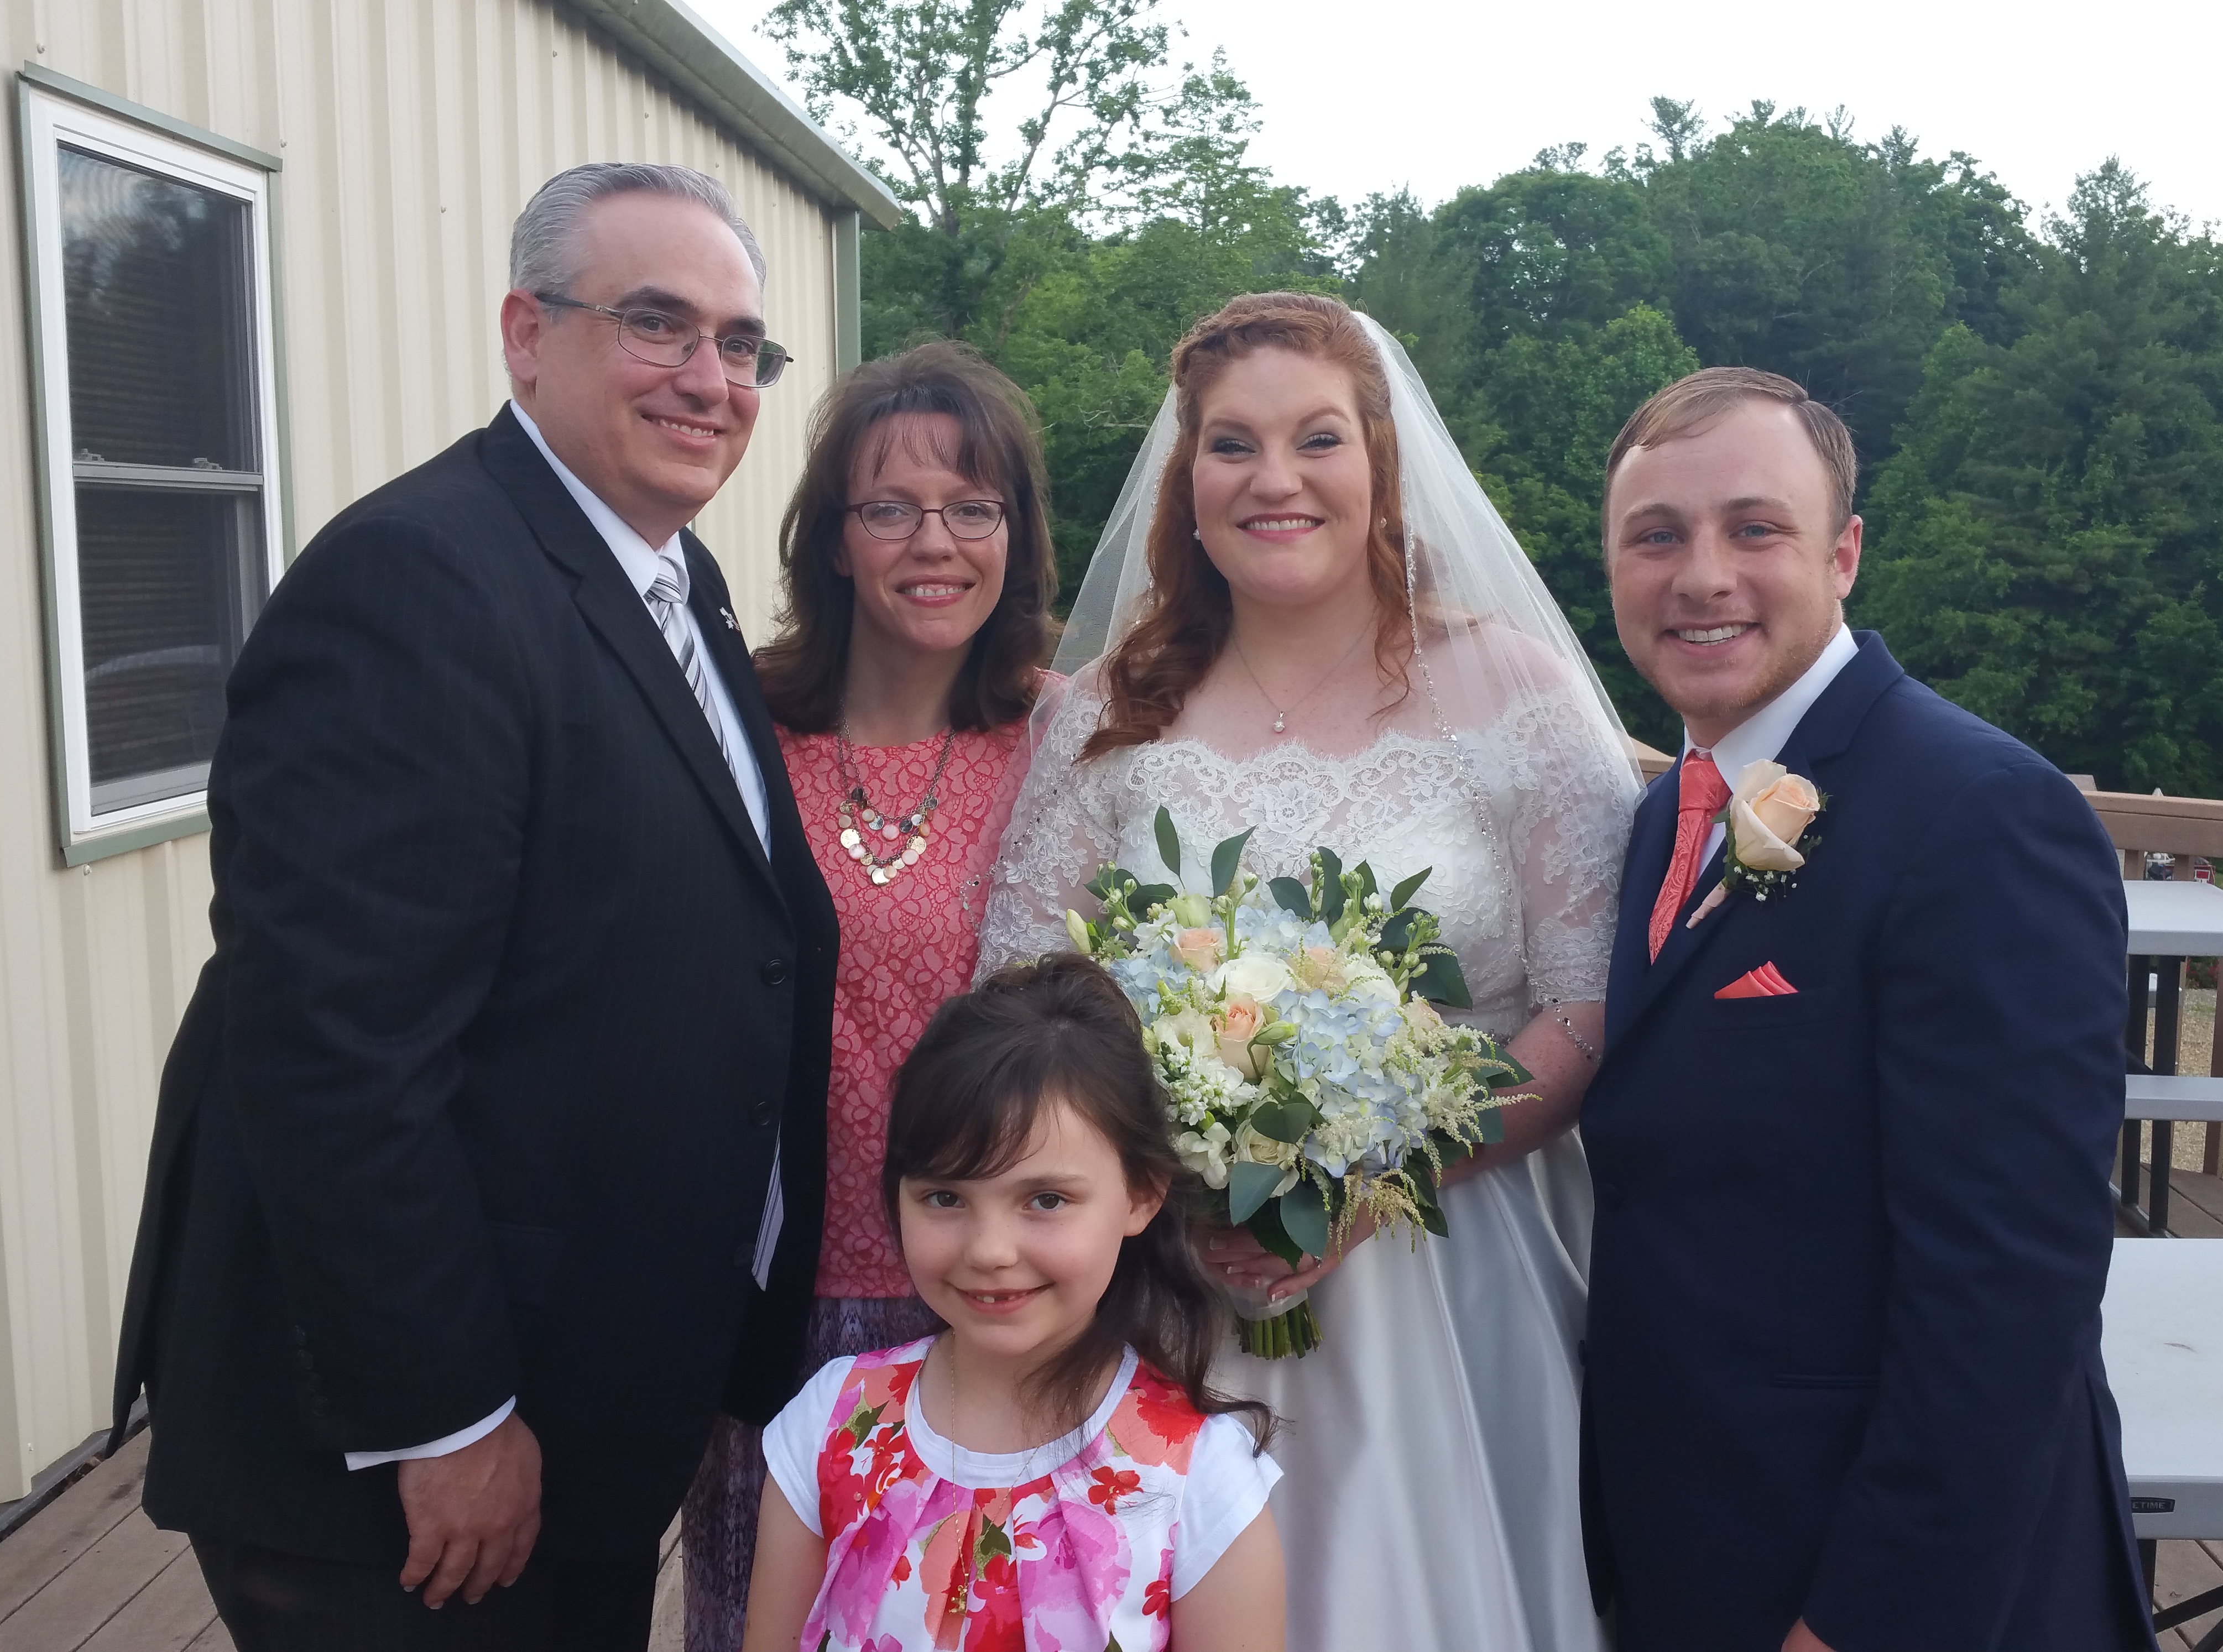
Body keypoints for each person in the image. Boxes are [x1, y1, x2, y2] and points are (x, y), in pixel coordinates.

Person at [109, 162, 840, 1649]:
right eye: (657, 324)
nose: (710, 380)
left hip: (575, 1410)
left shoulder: (672, 578)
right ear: (526, 334)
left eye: (738, 344)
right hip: (400, 1470)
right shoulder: (419, 581)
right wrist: (442, 1415)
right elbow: (335, 1047)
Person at [976, 291, 1640, 1651]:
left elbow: (1587, 1003)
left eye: (1316, 438)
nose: (1272, 478)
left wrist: (1376, 1179)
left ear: (1381, 462)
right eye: (1232, 444)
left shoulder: (1511, 691)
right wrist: (1169, 1168)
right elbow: (1019, 996)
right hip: (1166, 1278)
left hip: (1448, 1278)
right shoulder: (1109, 710)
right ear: (1189, 479)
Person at [1578, 367, 2153, 1651]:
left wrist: (1864, 1620)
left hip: (1884, 1583)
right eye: (1655, 536)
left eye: (1754, 528)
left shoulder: (1978, 814)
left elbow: (2007, 1293)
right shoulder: (1664, 816)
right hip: (1701, 1540)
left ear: (1841, 554)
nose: (1701, 576)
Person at [682, 342, 1062, 1650]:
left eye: (972, 507)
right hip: (769, 1293)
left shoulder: (1067, 739)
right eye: (889, 507)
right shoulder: (733, 727)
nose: (933, 543)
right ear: (834, 541)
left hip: (991, 1291)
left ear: (1016, 534)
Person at [740, 954, 1287, 1651]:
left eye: (1046, 1200)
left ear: (1141, 1194)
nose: (990, 1251)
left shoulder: (1200, 1482)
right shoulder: (830, 1424)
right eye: (945, 1197)